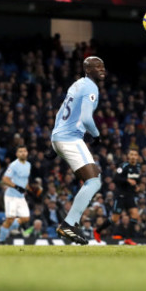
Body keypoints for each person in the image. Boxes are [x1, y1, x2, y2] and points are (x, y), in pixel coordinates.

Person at [51, 56, 105, 244]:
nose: (102, 69)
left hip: (59, 137)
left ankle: (71, 223)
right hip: (71, 138)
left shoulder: (76, 85)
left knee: (91, 179)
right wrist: (97, 135)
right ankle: (69, 224)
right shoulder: (91, 87)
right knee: (94, 181)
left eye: (102, 66)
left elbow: (60, 113)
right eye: (96, 66)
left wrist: (54, 143)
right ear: (87, 70)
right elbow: (87, 118)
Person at [94, 149, 141, 245]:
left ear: (137, 157)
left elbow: (135, 179)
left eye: (135, 155)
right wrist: (127, 180)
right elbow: (116, 178)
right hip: (120, 195)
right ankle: (97, 231)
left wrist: (136, 186)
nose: (133, 156)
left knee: (135, 215)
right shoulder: (123, 166)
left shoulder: (138, 167)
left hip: (130, 195)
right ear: (128, 156)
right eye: (131, 154)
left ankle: (128, 239)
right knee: (115, 219)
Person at [0, 145, 31, 244]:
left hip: (21, 196)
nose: (23, 153)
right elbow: (5, 179)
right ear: (17, 154)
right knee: (10, 219)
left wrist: (28, 188)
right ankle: (1, 241)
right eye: (20, 151)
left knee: (25, 218)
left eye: (24, 151)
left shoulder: (28, 165)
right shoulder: (13, 165)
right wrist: (16, 187)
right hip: (11, 196)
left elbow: (25, 179)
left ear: (27, 153)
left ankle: (5, 229)